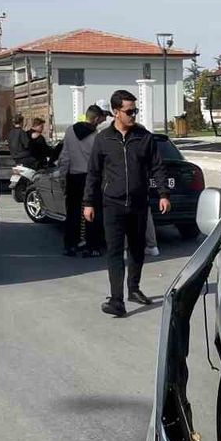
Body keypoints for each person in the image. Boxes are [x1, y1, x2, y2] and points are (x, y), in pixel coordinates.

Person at [83, 90, 171, 317]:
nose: (133, 115)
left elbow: (158, 167)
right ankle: (116, 299)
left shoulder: (144, 137)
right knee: (114, 251)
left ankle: (134, 288)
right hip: (112, 203)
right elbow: (93, 173)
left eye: (135, 110)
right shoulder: (103, 139)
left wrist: (163, 194)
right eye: (129, 111)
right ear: (115, 113)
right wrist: (88, 203)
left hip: (139, 203)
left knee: (136, 249)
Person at [56, 104, 109, 256]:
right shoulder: (96, 136)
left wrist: (63, 177)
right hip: (90, 178)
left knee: (72, 213)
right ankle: (92, 247)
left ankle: (70, 245)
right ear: (96, 119)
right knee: (92, 212)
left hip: (73, 177)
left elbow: (64, 157)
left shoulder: (70, 131)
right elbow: (100, 161)